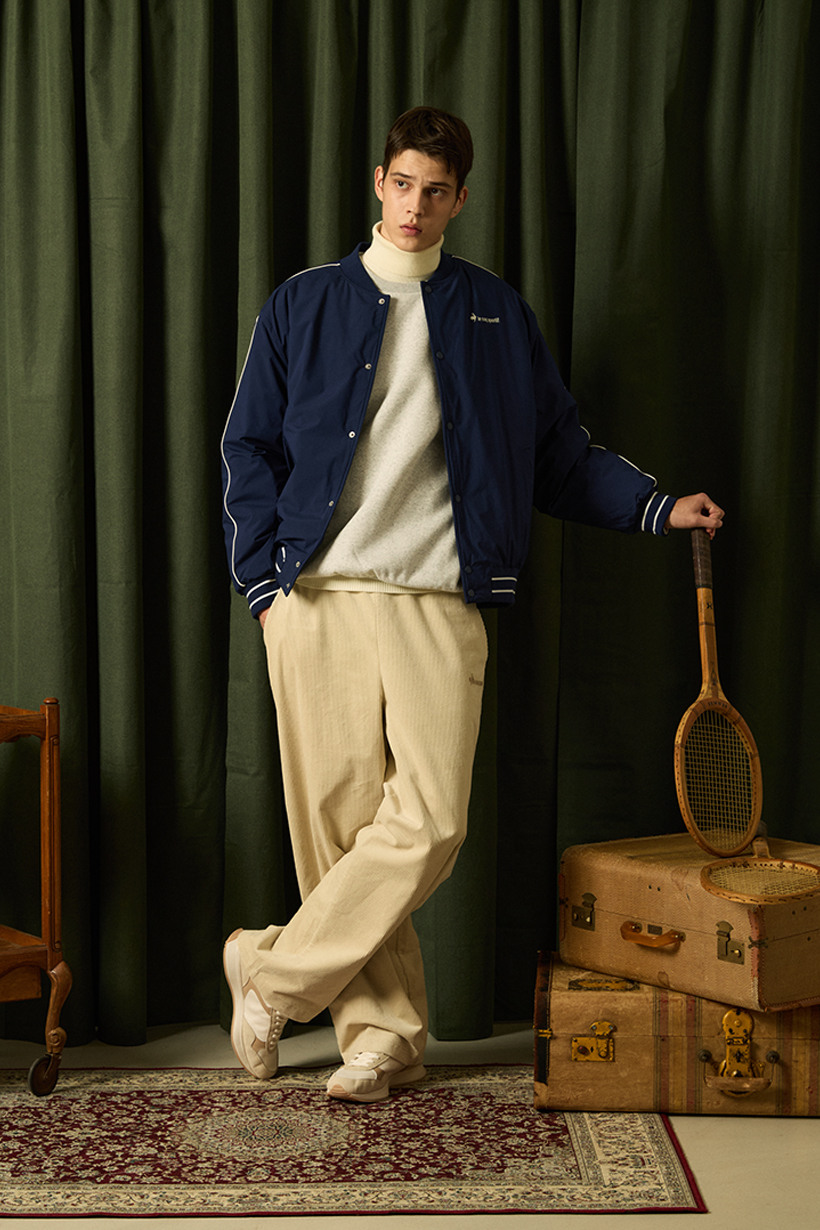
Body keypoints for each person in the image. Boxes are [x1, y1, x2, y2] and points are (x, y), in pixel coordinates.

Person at [220, 105, 724, 1105]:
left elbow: (558, 454)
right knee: (337, 829)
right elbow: (249, 447)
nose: (416, 206)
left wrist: (656, 506)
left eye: (437, 190)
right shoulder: (302, 303)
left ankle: (269, 972)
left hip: (438, 598)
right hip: (316, 597)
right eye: (403, 184)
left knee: (432, 822)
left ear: (461, 199)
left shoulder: (494, 314)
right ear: (379, 183)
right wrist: (264, 588)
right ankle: (384, 1039)